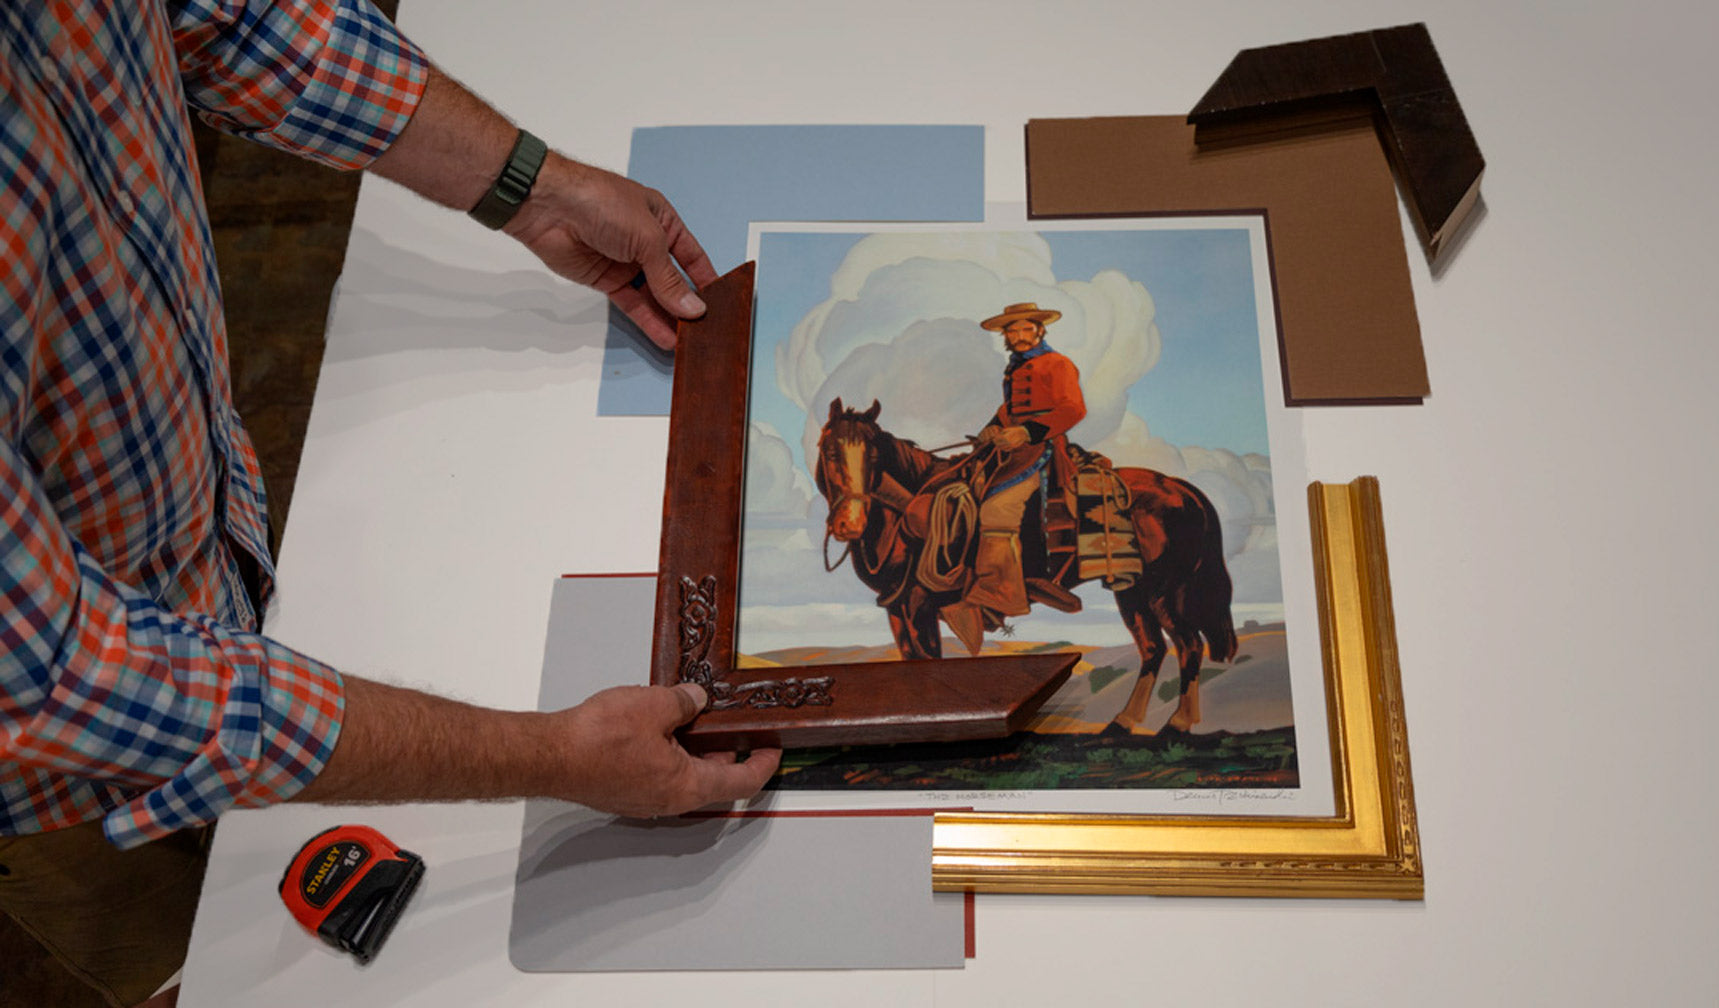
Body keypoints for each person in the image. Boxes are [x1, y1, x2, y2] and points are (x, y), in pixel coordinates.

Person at [1, 2, 778, 1005]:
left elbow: (228, 20)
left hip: (181, 514)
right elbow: (63, 682)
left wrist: (535, 189)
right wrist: (547, 756)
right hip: (82, 716)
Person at [943, 303, 1087, 650]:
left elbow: (1072, 409)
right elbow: (1011, 410)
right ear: (1005, 336)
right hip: (1013, 449)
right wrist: (990, 432)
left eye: (1026, 330)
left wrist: (1026, 433)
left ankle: (998, 595)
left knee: (997, 509)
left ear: (1040, 331)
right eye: (1013, 331)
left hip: (1043, 449)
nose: (1020, 337)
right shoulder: (1015, 368)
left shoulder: (1058, 364)